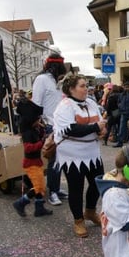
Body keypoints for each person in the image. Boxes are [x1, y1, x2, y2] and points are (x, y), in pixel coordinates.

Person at [53, 74, 107, 238]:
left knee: (98, 183)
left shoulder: (91, 103)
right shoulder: (65, 106)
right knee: (76, 188)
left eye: (86, 85)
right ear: (71, 89)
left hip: (92, 152)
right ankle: (78, 220)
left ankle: (90, 211)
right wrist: (95, 127)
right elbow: (71, 129)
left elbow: (100, 122)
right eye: (82, 86)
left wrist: (102, 130)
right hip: (72, 155)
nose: (86, 89)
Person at [31, 53, 68, 206]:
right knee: (53, 160)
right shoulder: (42, 79)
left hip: (62, 125)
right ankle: (52, 191)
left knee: (61, 159)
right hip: (50, 125)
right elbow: (36, 103)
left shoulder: (58, 81)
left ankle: (56, 188)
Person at [12, 99, 53, 218]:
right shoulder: (27, 133)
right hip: (31, 163)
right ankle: (20, 203)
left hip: (36, 162)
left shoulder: (33, 130)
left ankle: (39, 208)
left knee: (40, 185)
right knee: (38, 186)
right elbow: (28, 148)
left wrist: (44, 131)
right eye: (37, 120)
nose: (38, 121)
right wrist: (42, 142)